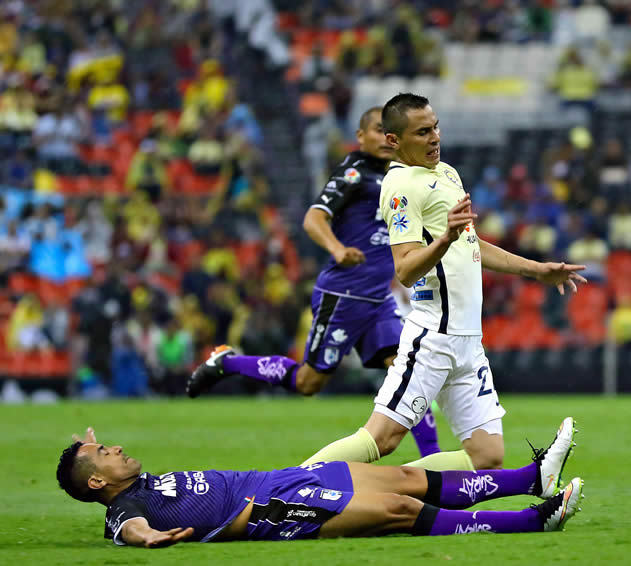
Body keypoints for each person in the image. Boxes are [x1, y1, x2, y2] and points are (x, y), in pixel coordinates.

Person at [298, 93, 586, 473]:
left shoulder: (447, 173)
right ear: (394, 141)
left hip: (468, 341)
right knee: (380, 439)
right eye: (422, 132)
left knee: (487, 457)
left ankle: (394, 488)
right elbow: (405, 269)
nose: (434, 137)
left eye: (435, 127)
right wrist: (444, 240)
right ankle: (281, 490)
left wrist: (537, 270)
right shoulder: (400, 186)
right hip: (433, 337)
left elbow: (473, 243)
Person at [186, 107, 445, 461]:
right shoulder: (353, 173)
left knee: (406, 367)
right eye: (377, 131)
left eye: (391, 133)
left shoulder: (401, 176)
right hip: (343, 295)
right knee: (309, 383)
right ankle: (228, 363)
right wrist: (337, 249)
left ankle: (435, 459)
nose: (385, 139)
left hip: (377, 297)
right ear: (361, 136)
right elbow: (314, 217)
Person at [56, 424, 583, 547]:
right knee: (398, 508)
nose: (116, 448)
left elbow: (98, 472)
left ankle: (530, 478)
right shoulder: (123, 509)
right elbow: (130, 529)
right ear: (100, 481)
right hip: (269, 507)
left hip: (278, 477)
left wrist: (87, 452)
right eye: (105, 454)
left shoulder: (133, 479)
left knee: (407, 477)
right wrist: (145, 539)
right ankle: (535, 519)